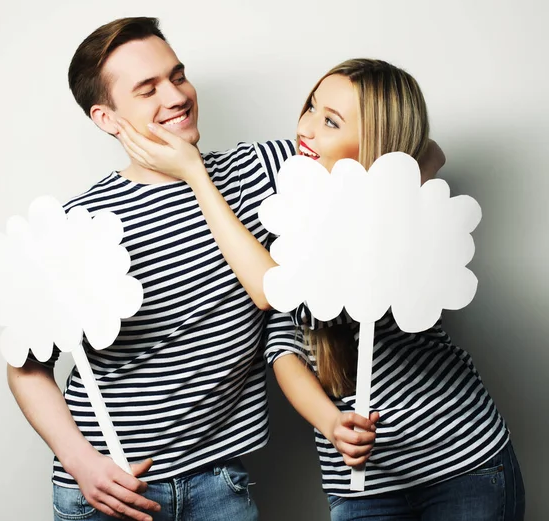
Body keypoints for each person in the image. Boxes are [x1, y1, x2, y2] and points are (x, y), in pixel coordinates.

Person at [120, 59, 525, 520]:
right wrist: (331, 422)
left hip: (464, 462)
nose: (306, 129)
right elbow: (283, 346)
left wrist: (196, 174)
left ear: (373, 143)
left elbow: (271, 291)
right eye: (310, 108)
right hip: (362, 483)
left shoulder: (393, 221)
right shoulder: (289, 208)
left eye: (330, 121)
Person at [7, 16, 300, 521]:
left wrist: (195, 174)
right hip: (108, 492)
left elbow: (407, 151)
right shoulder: (79, 224)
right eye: (148, 89)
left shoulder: (260, 170)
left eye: (178, 75)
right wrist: (82, 465)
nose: (177, 95)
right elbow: (25, 366)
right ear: (106, 118)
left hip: (221, 484)